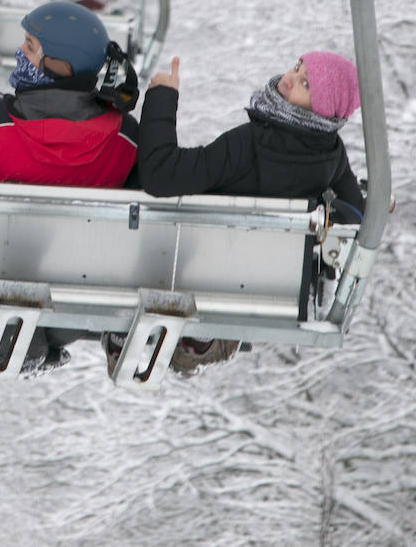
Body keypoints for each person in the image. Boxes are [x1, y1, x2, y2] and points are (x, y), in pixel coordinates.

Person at [0, 0, 140, 381]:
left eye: (31, 46)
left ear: (59, 65)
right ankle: (35, 345)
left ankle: (24, 344)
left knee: (9, 278)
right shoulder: (127, 138)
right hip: (82, 287)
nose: (20, 51)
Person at [133, 50, 365, 373]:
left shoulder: (249, 145)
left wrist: (161, 97)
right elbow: (355, 213)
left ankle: (186, 340)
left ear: (324, 108)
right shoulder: (331, 154)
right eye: (297, 67)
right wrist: (329, 210)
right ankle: (203, 344)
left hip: (196, 276)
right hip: (266, 299)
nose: (287, 78)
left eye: (305, 84)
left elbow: (161, 175)